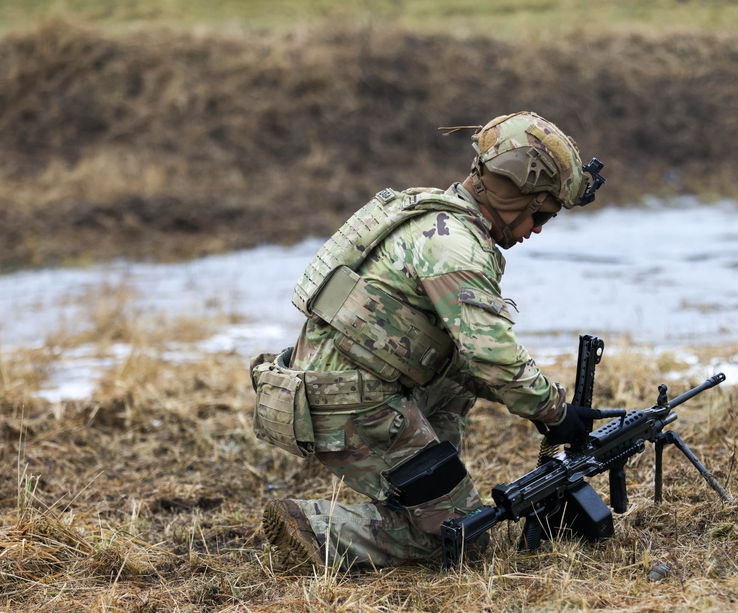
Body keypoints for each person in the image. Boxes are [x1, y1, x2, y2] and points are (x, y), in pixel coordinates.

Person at [250, 111, 606, 573]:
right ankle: (320, 529)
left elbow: (464, 359)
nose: (537, 229)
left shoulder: (432, 214)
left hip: (338, 382)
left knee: (459, 381)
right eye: (540, 214)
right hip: (347, 403)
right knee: (462, 536)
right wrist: (553, 410)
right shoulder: (455, 247)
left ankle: (429, 482)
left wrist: (540, 405)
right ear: (515, 194)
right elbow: (492, 356)